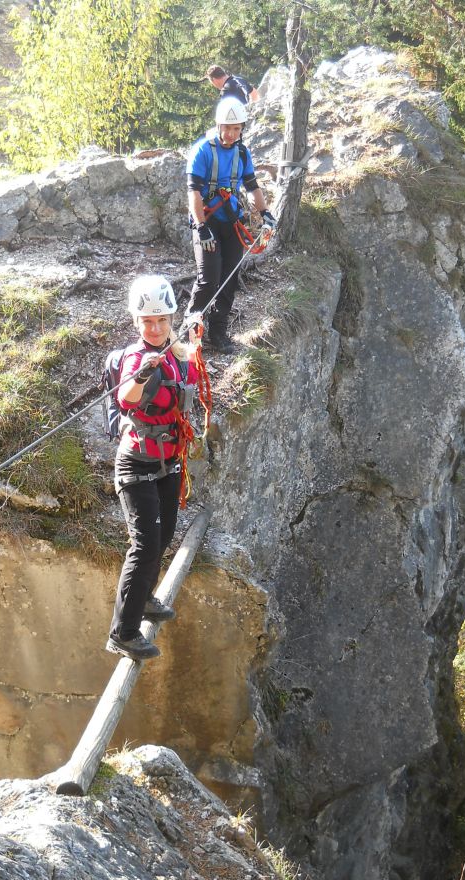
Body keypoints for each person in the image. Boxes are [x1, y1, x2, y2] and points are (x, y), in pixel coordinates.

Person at [106, 275, 200, 661]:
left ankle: (144, 599)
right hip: (137, 463)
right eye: (148, 322)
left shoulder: (174, 351)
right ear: (136, 322)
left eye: (162, 320)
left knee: (163, 539)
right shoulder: (136, 357)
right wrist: (145, 372)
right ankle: (123, 633)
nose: (155, 328)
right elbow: (127, 398)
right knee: (144, 546)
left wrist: (190, 336)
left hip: (169, 460)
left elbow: (191, 361)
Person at [185, 96, 275, 354]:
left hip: (231, 220)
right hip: (208, 221)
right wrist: (201, 227)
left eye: (237, 129)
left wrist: (265, 213)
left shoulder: (242, 152)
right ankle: (192, 329)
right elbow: (194, 192)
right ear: (218, 125)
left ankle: (218, 332)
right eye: (228, 128)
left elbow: (251, 186)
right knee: (208, 278)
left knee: (229, 278)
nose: (232, 133)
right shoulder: (202, 150)